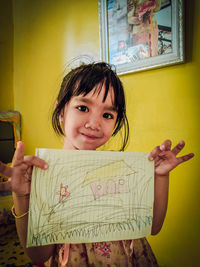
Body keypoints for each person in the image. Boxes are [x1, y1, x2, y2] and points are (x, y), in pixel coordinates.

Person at [0, 62, 194, 266]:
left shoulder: (123, 172)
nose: (94, 123)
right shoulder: (42, 174)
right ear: (61, 112)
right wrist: (22, 195)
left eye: (107, 115)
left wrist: (161, 176)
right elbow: (38, 256)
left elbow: (152, 227)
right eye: (83, 108)